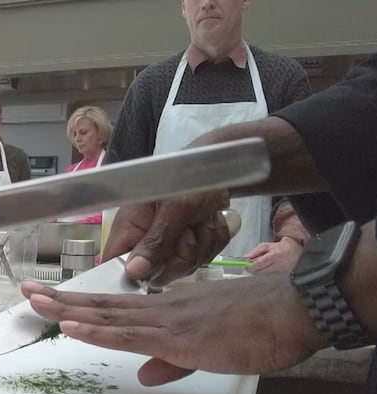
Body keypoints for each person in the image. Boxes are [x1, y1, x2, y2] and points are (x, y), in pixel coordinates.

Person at [21, 0, 377, 394]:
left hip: (321, 284)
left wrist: (308, 272)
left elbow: (300, 198)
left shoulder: (280, 76)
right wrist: (217, 162)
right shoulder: (152, 85)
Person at [105, 0, 321, 268]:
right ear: (183, 8)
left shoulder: (282, 78)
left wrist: (291, 242)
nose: (206, 3)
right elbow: (120, 187)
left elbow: (303, 182)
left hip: (255, 276)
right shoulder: (151, 85)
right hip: (163, 277)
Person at [58, 106, 113, 224]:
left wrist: (80, 224)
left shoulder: (110, 167)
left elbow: (113, 213)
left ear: (100, 135)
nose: (77, 138)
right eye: (75, 134)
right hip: (68, 234)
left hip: (98, 235)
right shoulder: (71, 170)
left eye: (83, 133)